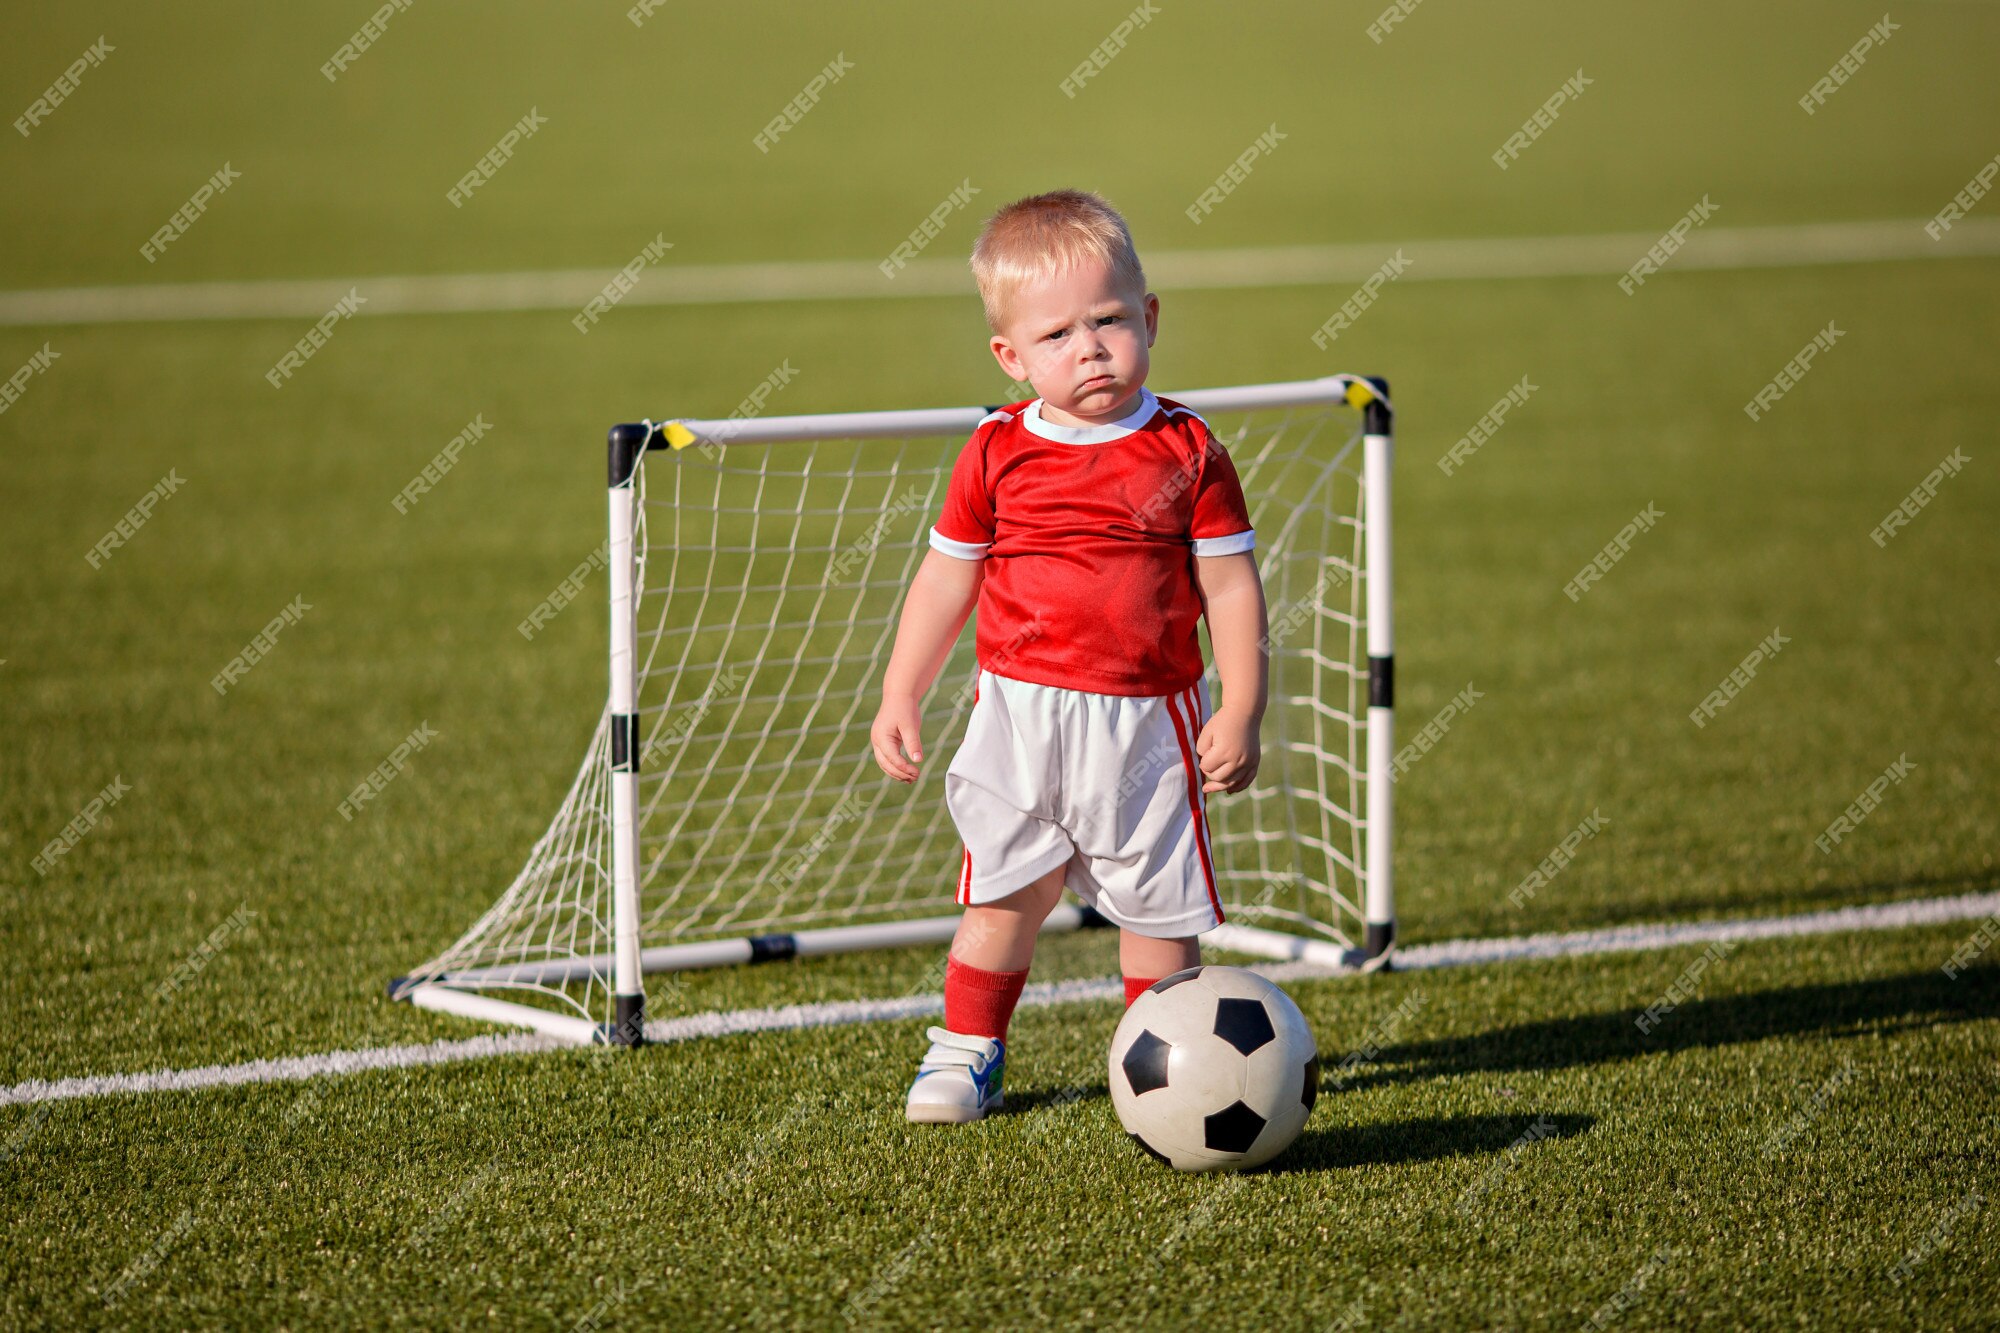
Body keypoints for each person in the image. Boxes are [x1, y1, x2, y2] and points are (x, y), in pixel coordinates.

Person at [870, 188, 1270, 1123]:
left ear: (1151, 319)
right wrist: (901, 690)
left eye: (1110, 321)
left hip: (1148, 719)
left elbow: (1232, 588)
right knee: (1004, 897)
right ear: (1011, 356)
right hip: (1019, 714)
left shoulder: (1189, 449)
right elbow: (943, 580)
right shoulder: (995, 451)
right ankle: (969, 1050)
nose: (1089, 347)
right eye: (1056, 335)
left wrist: (1241, 704)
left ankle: (1172, 1072)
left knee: (1159, 919)